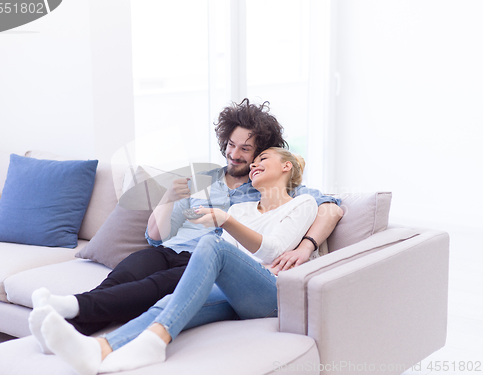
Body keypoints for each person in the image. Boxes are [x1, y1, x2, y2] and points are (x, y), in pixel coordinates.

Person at [29, 98, 342, 354]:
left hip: (203, 262)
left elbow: (331, 206)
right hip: (168, 250)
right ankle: (63, 334)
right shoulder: (202, 178)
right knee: (122, 276)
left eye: (246, 149)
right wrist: (166, 197)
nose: (234, 154)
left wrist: (306, 246)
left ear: (261, 152)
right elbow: (154, 236)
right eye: (231, 144)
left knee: (147, 291)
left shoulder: (267, 186)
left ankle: (66, 322)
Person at [34, 147, 319, 375]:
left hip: (268, 292)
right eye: (252, 161)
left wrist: (226, 220)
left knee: (211, 242)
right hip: (233, 292)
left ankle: (79, 308)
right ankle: (100, 348)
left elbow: (271, 250)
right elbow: (233, 256)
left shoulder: (303, 203)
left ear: (286, 166)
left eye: (262, 158)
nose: (254, 164)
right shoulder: (244, 208)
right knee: (170, 300)